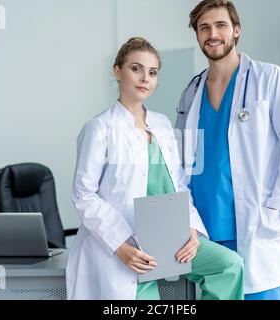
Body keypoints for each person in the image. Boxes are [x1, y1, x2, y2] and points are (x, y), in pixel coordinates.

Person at [66, 37, 244, 300]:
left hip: (170, 238)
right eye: (135, 69)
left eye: (152, 72)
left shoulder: (161, 125)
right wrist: (120, 245)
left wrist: (192, 228)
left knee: (229, 266)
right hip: (124, 245)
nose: (144, 78)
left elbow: (179, 185)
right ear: (117, 71)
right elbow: (83, 195)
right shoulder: (100, 128)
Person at [175, 0, 280, 300]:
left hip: (255, 226)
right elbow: (181, 164)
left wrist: (277, 206)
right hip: (205, 231)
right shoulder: (191, 93)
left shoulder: (269, 79)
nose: (213, 34)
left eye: (221, 25)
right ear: (197, 35)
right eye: (204, 27)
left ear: (236, 30)